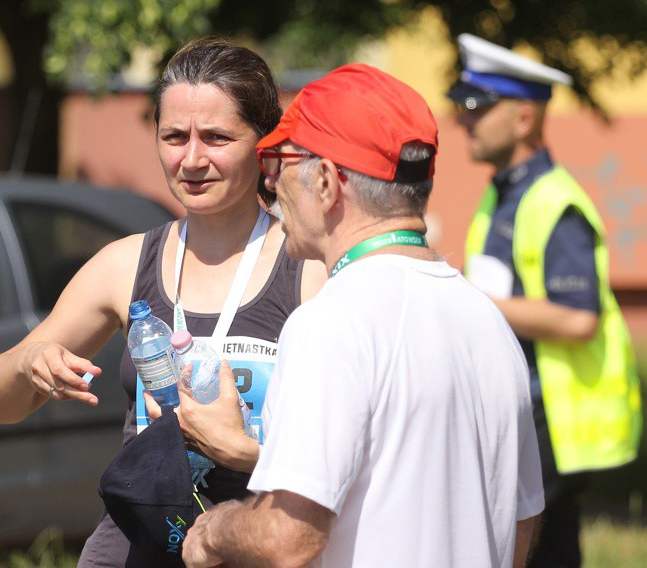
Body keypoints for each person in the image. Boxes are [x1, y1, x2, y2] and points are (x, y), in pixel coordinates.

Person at [180, 62, 545, 568]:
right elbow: (521, 521)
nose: (272, 185)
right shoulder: (488, 321)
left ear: (327, 182)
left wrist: (212, 532)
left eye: (278, 161)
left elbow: (289, 537)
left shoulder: (330, 323)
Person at [0, 38, 326, 567]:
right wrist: (29, 365)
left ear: (264, 144)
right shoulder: (125, 264)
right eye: (173, 136)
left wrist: (245, 452)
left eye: (215, 137)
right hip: (131, 549)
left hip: (250, 545)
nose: (191, 159)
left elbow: (349, 456)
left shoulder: (309, 270)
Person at [448, 34, 642, 567]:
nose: (464, 121)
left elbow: (580, 319)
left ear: (524, 118)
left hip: (553, 419)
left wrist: (472, 300)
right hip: (528, 410)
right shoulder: (506, 191)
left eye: (477, 108)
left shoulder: (555, 201)